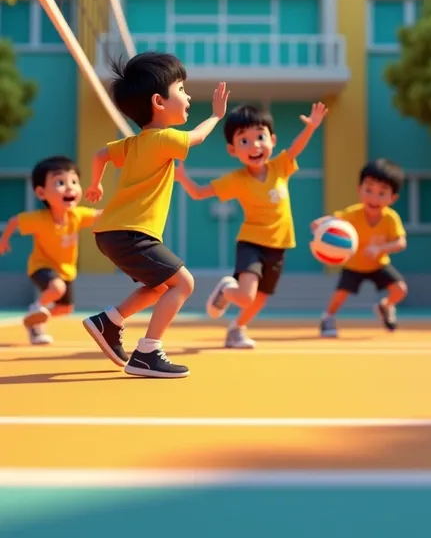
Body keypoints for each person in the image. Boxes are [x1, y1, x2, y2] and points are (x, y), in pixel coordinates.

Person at [82, 52, 229, 379]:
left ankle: (109, 322)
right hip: (131, 233)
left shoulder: (135, 143)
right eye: (182, 88)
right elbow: (198, 137)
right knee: (184, 283)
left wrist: (95, 185)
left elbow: (99, 155)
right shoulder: (164, 139)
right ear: (159, 102)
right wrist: (217, 115)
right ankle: (148, 352)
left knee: (161, 286)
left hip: (112, 232)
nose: (188, 96)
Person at [176, 101, 328, 349]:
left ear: (272, 140)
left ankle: (236, 329)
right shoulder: (236, 180)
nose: (255, 145)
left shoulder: (280, 167)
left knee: (261, 298)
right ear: (232, 150)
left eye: (260, 137)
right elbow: (199, 193)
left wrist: (311, 127)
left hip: (279, 245)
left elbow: (296, 149)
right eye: (244, 141)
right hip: (252, 244)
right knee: (246, 296)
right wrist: (183, 178)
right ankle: (227, 291)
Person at [0, 155, 101, 345]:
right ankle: (35, 308)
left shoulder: (77, 215)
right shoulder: (39, 219)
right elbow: (14, 222)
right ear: (41, 193)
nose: (70, 187)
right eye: (60, 182)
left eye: (74, 181)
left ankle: (35, 324)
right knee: (56, 288)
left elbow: (100, 215)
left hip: (66, 270)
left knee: (65, 309)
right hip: (41, 266)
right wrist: (3, 241)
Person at [312, 158, 407, 338]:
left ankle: (385, 306)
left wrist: (380, 249)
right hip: (354, 265)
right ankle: (328, 317)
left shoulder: (391, 219)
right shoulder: (352, 214)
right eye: (369, 190)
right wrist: (321, 223)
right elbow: (334, 220)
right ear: (359, 190)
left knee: (400, 289)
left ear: (392, 198)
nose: (374, 197)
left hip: (378, 264)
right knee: (340, 295)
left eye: (382, 193)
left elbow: (401, 243)